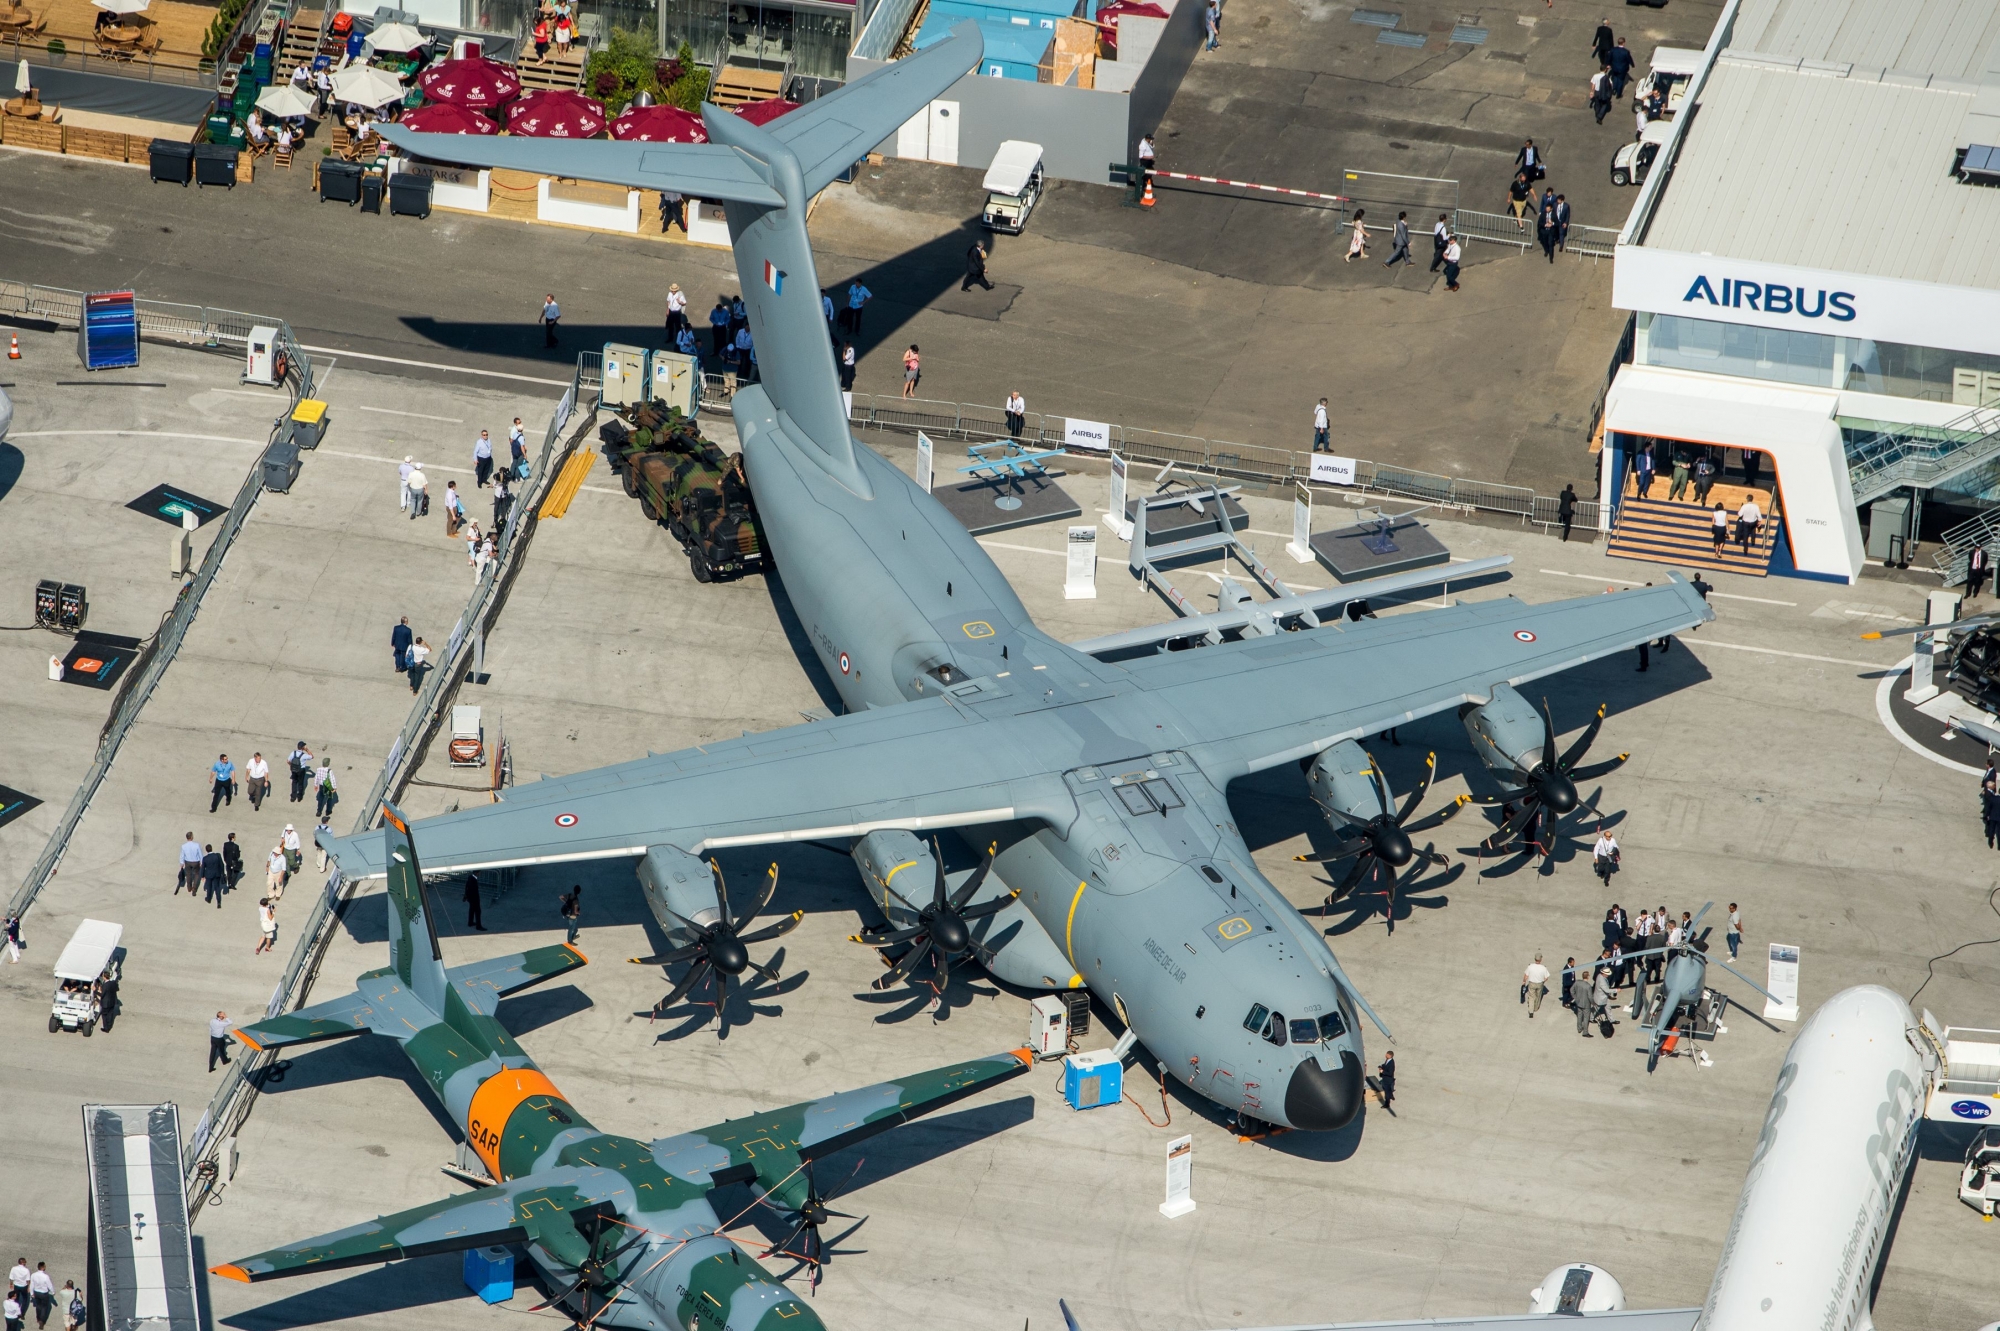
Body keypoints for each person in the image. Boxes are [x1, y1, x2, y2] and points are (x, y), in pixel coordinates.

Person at [1523, 953, 1550, 1017]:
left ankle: (1531, 1011)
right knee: (1538, 996)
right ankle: (1536, 1008)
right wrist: (1542, 982)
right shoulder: (1543, 968)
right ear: (1540, 959)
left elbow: (1526, 976)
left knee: (1531, 997)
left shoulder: (1530, 966)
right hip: (1540, 984)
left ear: (1535, 959)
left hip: (1532, 983)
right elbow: (1546, 978)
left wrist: (1524, 981)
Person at [1536, 192, 1558, 263]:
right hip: (1544, 231)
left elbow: (1557, 223)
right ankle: (1546, 250)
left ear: (1551, 209)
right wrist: (1544, 225)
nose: (1547, 209)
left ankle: (1551, 258)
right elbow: (1539, 222)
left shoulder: (1554, 215)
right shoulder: (1543, 214)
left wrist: (1552, 223)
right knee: (1545, 243)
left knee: (1550, 244)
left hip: (1551, 231)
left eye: (1548, 208)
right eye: (1546, 208)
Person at [26, 1265, 51, 1331]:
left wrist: (31, 1293)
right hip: (44, 1293)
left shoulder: (33, 1275)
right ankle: (42, 1321)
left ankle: (38, 1318)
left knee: (38, 1306)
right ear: (43, 1268)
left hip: (36, 1292)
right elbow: (49, 1285)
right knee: (44, 1307)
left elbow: (32, 1285)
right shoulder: (46, 1276)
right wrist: (53, 1292)